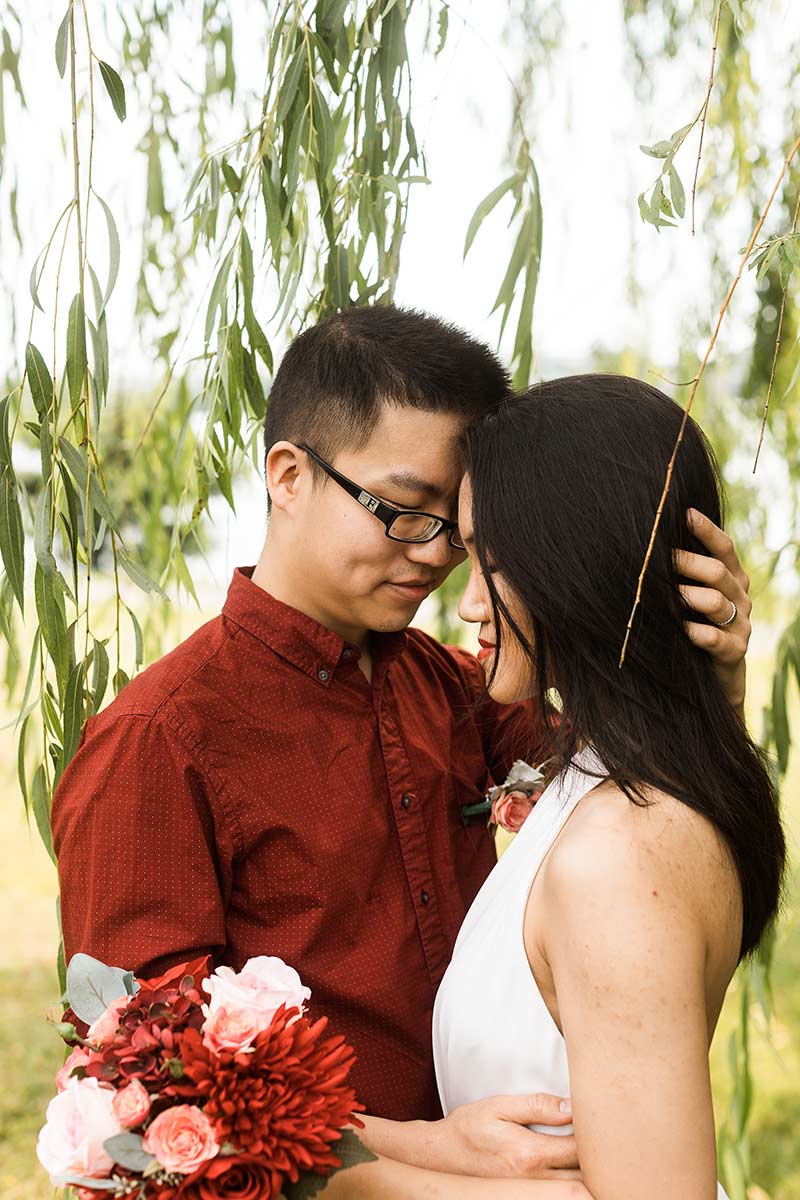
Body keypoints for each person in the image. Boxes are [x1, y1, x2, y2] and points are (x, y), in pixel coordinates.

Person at [51, 311, 752, 1179]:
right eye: (404, 511)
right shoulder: (159, 743)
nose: (439, 558)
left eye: (458, 525)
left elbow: (657, 836)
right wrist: (423, 1148)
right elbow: (146, 1094)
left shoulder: (455, 688)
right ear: (288, 476)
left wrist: (700, 673)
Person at [316, 375, 785, 1198]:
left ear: (574, 569)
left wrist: (333, 1181)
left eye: (488, 565)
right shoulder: (630, 781)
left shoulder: (619, 855)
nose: (466, 608)